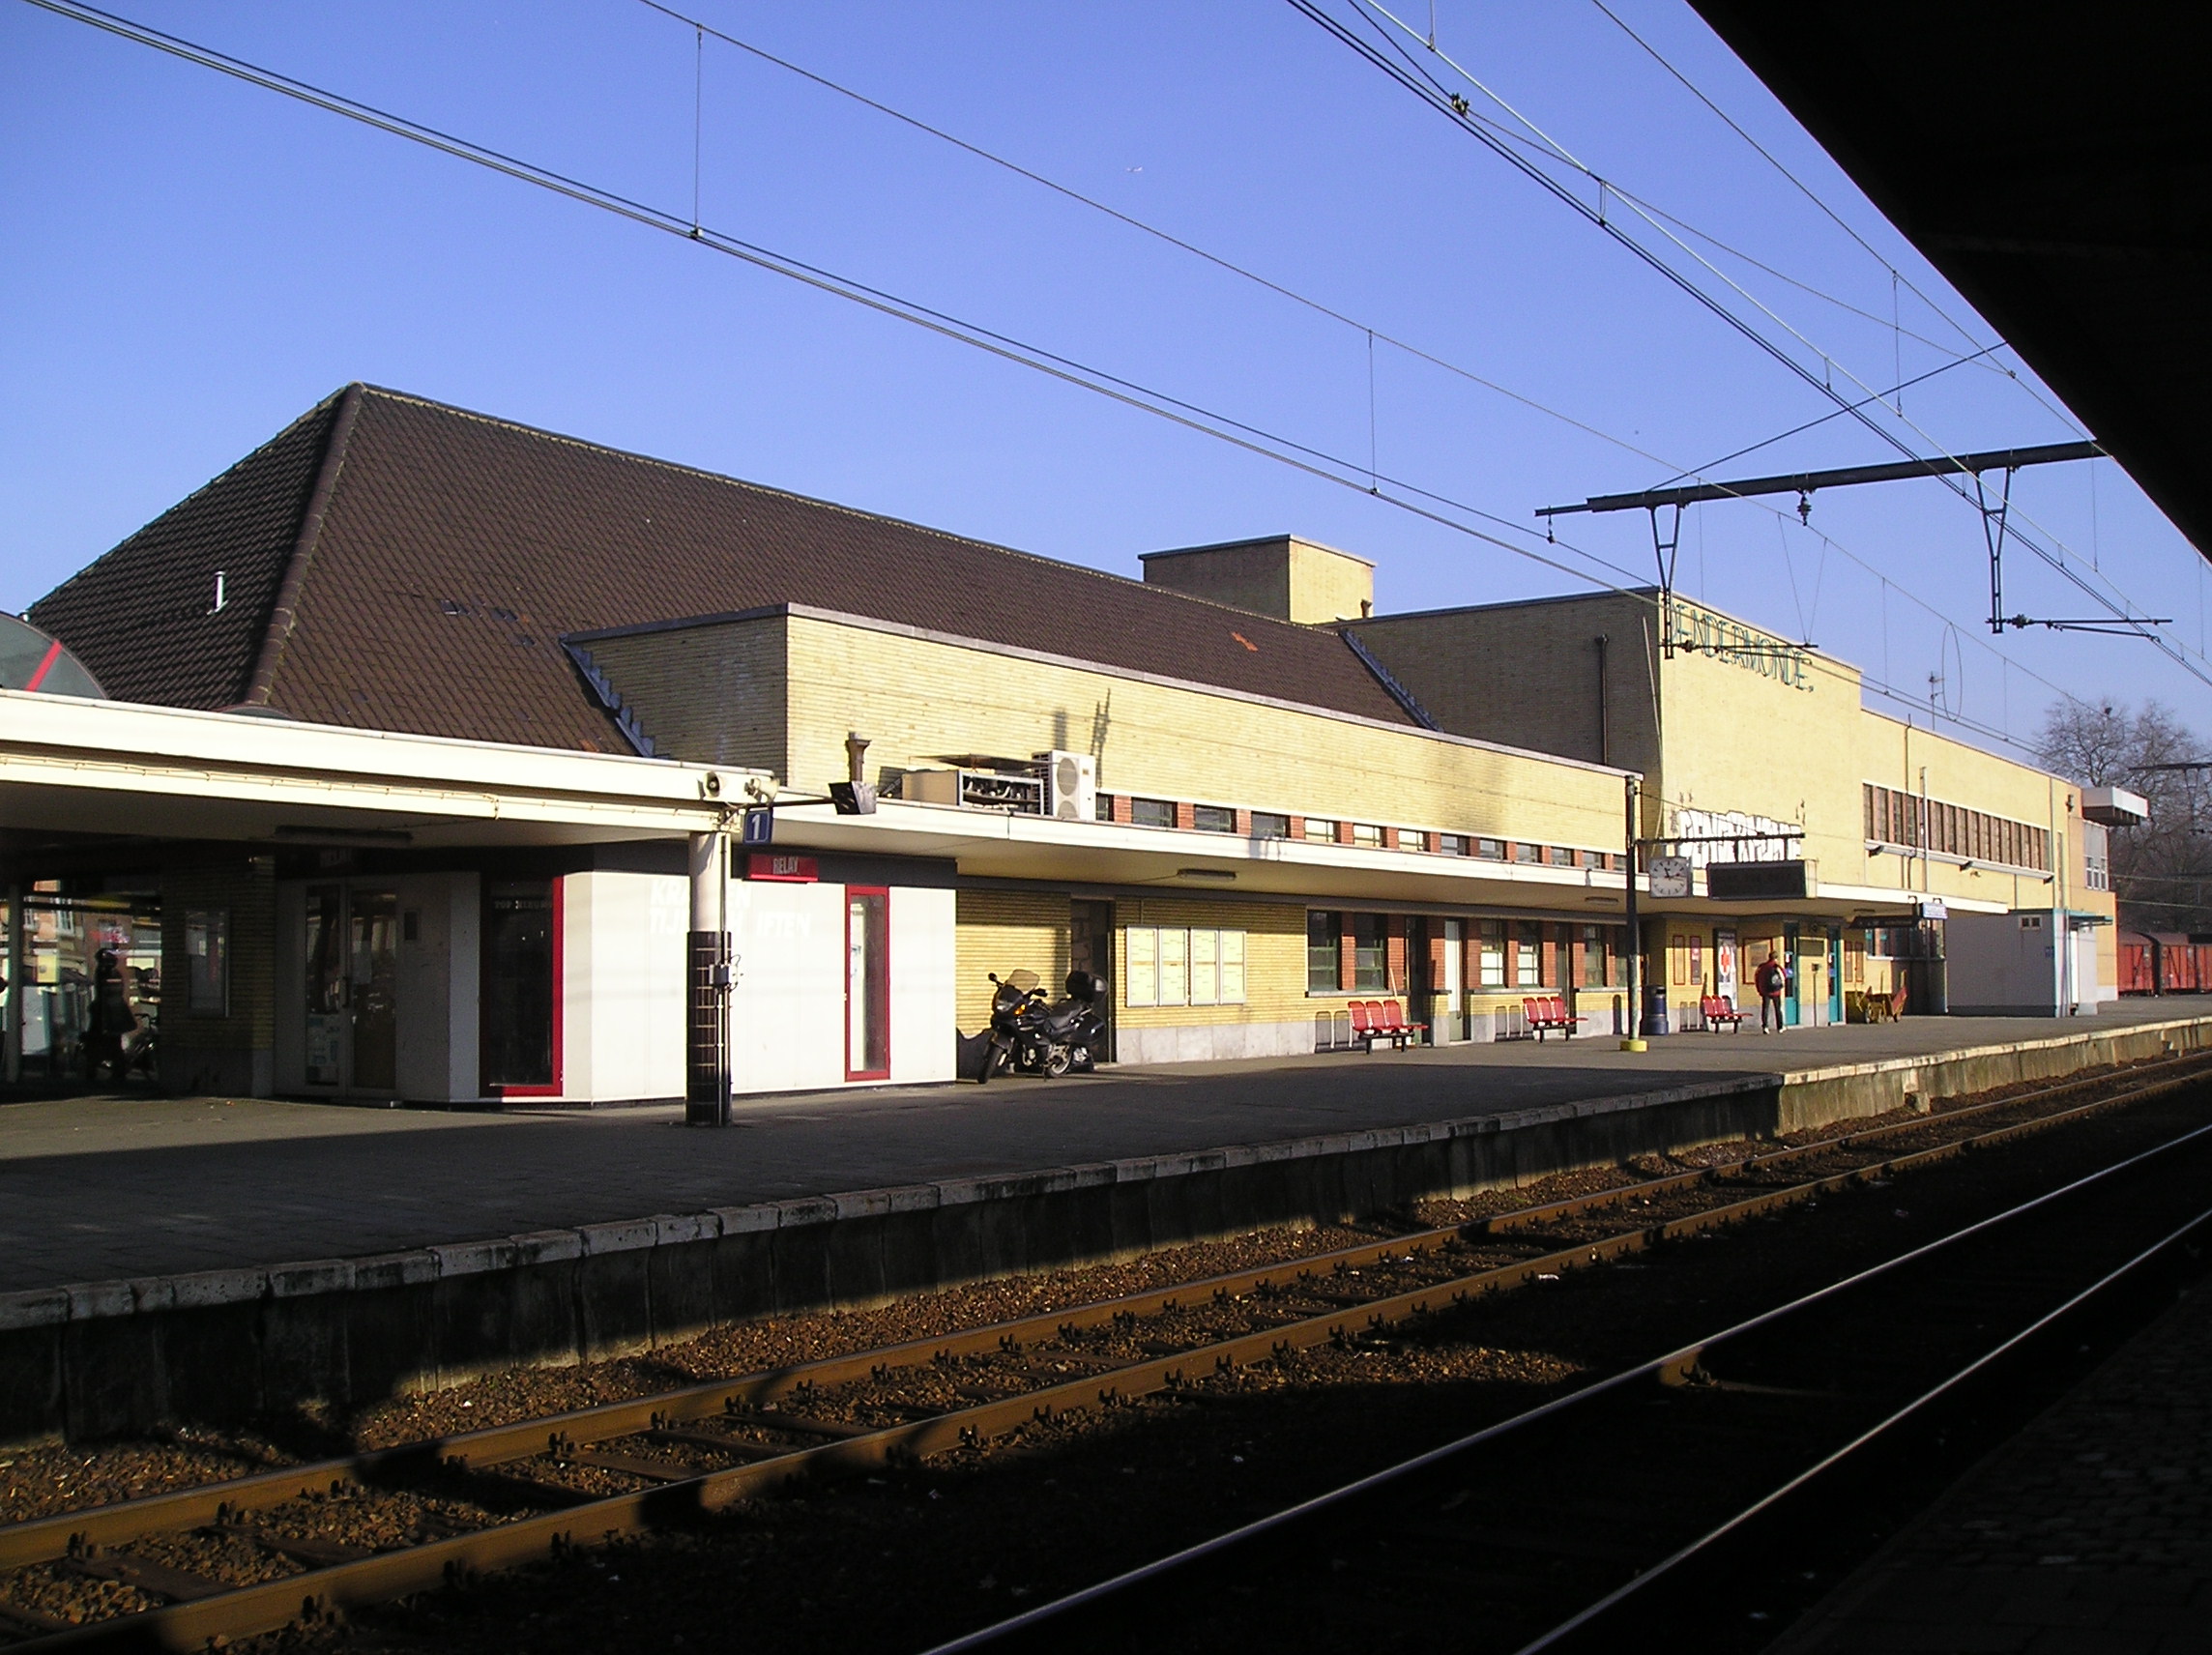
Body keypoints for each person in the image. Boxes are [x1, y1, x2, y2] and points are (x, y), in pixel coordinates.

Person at [85, 947, 138, 1082]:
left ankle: (96, 1070)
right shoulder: (115, 974)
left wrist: (99, 1012)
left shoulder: (103, 973)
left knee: (98, 1044)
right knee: (114, 1046)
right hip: (115, 1016)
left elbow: (104, 996)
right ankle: (117, 1071)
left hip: (107, 1017)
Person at [1754, 950, 1788, 1032]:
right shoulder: (1776, 966)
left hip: (1765, 991)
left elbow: (1757, 978)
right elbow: (1784, 975)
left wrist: (1759, 989)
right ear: (1776, 958)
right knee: (1778, 1009)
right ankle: (1780, 1027)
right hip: (1776, 991)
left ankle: (1765, 1026)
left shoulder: (1762, 967)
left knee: (1765, 1009)